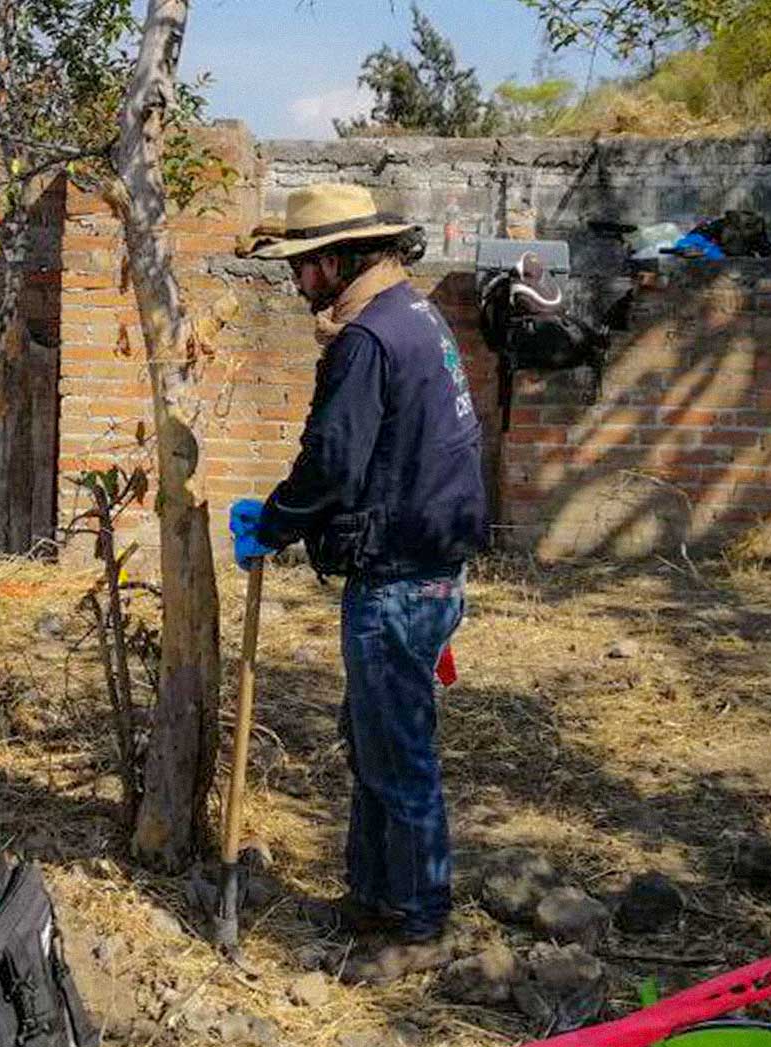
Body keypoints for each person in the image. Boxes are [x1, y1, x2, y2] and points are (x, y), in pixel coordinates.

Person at [231, 183, 488, 984]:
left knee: (397, 751)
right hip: (426, 566)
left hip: (398, 577)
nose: (295, 282)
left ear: (337, 261)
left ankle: (421, 921)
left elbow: (333, 462)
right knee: (373, 737)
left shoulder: (368, 339)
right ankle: (375, 895)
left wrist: (275, 521)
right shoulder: (412, 314)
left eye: (301, 267)